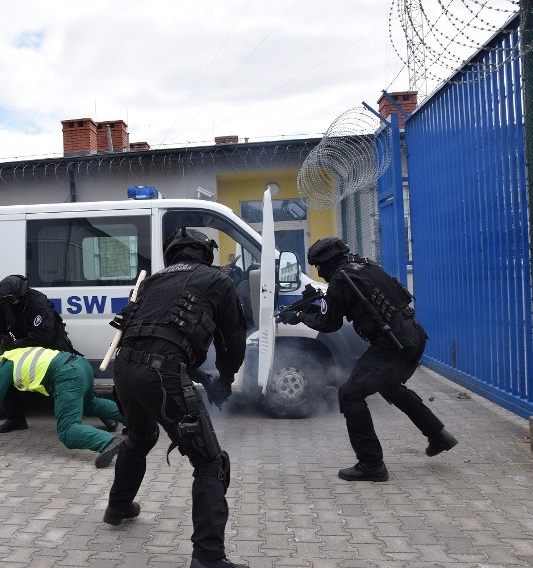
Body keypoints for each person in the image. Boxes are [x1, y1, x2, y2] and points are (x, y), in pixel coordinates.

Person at [103, 228, 248, 568]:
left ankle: (117, 507)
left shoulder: (151, 283)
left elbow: (160, 340)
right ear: (204, 253)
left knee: (140, 438)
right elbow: (234, 340)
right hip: (160, 374)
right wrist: (225, 379)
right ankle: (208, 558)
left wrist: (204, 378)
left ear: (173, 255)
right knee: (210, 463)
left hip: (124, 369)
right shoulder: (217, 281)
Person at [279, 237, 458, 482]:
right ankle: (438, 435)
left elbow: (329, 323)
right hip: (413, 336)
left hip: (392, 344)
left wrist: (299, 316)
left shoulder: (342, 279)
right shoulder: (363, 266)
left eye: (319, 266)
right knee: (390, 386)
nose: (319, 272)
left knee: (350, 393)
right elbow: (337, 310)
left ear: (329, 262)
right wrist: (313, 307)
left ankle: (371, 464)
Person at [0, 274, 119, 434]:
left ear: (21, 295)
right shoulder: (3, 304)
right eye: (7, 302)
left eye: (14, 300)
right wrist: (5, 343)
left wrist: (17, 344)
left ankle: (107, 415)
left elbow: (45, 335)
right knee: (6, 373)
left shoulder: (38, 302)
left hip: (52, 344)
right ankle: (15, 419)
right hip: (23, 346)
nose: (11, 304)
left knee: (74, 379)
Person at [0, 346, 126, 468]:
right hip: (80, 364)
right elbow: (4, 366)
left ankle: (108, 442)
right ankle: (136, 420)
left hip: (68, 375)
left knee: (67, 430)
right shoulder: (18, 353)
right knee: (91, 404)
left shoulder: (7, 363)